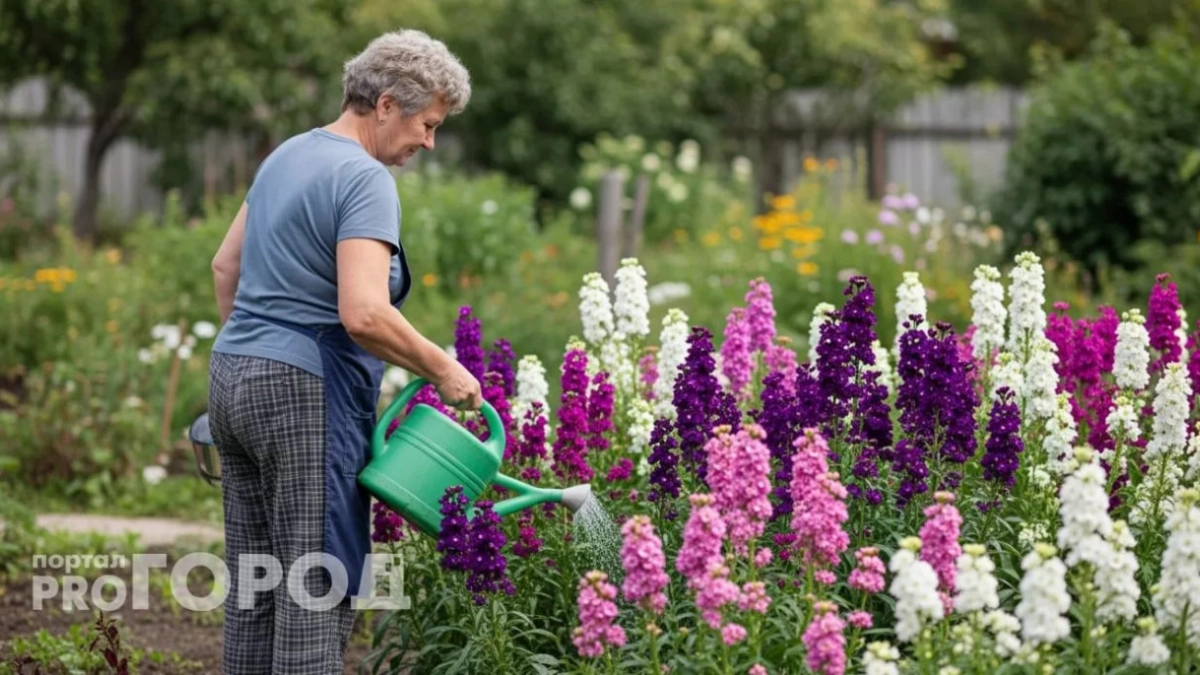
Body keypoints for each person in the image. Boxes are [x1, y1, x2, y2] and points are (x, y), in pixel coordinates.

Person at [206, 29, 481, 674]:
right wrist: (444, 367)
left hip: (232, 378)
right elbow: (362, 313)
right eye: (427, 124)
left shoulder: (288, 154)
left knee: (254, 589)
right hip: (305, 394)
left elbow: (225, 266)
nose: (428, 142)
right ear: (386, 105)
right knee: (315, 590)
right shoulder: (364, 178)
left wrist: (252, 352)